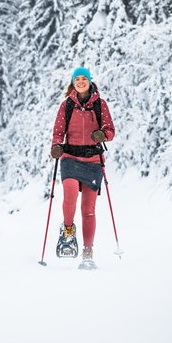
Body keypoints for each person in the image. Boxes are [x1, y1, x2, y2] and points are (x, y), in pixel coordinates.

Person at [50, 67, 115, 269]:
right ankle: (68, 231)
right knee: (69, 197)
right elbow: (58, 131)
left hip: (93, 160)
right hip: (70, 157)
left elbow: (110, 130)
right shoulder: (67, 105)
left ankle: (88, 253)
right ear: (73, 82)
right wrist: (56, 146)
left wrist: (103, 136)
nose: (80, 82)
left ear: (89, 81)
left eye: (83, 78)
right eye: (77, 79)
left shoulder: (100, 105)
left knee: (88, 209)